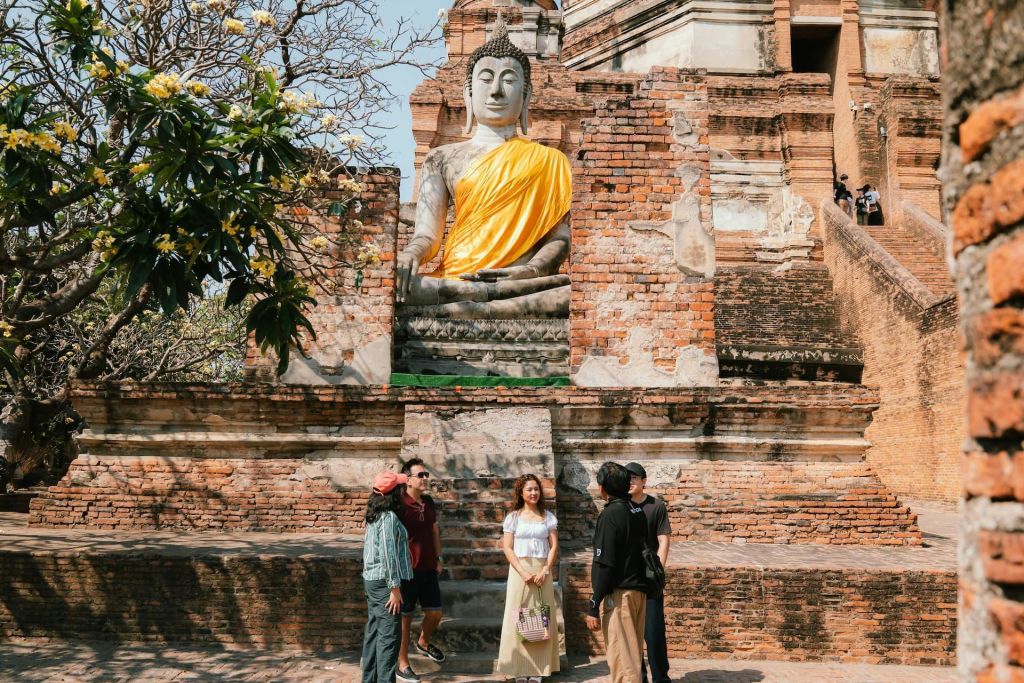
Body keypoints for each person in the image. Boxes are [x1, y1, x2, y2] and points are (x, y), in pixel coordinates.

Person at [394, 13, 571, 319]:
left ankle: (483, 298)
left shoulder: (550, 160)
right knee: (405, 289)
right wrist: (410, 254)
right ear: (469, 93)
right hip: (456, 279)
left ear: (526, 96)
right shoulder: (442, 158)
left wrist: (530, 270)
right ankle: (478, 297)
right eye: (486, 78)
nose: (497, 91)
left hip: (522, 285)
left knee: (569, 294)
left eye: (509, 80)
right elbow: (428, 237)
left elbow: (560, 237)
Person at [584, 462, 649, 683]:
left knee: (623, 663)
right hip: (638, 592)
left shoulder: (611, 515)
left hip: (620, 595)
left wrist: (594, 603)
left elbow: (605, 563)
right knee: (632, 656)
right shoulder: (637, 510)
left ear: (603, 487)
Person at [497, 474, 561, 683]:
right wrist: (523, 572)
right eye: (529, 490)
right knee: (518, 615)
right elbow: (507, 547)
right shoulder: (513, 518)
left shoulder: (548, 517)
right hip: (519, 571)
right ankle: (518, 668)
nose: (533, 493)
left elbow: (554, 546)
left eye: (536, 489)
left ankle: (537, 669)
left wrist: (545, 570)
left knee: (541, 616)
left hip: (542, 570)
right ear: (521, 493)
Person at [361, 471, 414, 683]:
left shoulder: (373, 514)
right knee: (389, 637)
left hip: (373, 581)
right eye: (402, 489)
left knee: (374, 633)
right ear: (395, 493)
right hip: (385, 583)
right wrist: (394, 588)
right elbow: (388, 554)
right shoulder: (388, 517)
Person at [396, 458, 445, 683]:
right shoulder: (398, 504)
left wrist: (439, 557)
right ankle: (403, 663)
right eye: (421, 475)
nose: (425, 479)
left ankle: (423, 642)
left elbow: (434, 530)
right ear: (408, 479)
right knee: (405, 619)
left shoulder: (428, 502)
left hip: (428, 568)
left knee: (435, 613)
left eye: (427, 475)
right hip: (406, 571)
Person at [624, 463, 672, 683]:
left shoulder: (656, 506)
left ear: (644, 480)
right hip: (628, 578)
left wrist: (658, 572)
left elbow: (663, 540)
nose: (630, 481)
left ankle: (661, 677)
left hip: (650, 578)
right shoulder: (620, 507)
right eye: (627, 478)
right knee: (632, 634)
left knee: (653, 633)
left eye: (635, 478)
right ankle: (640, 677)